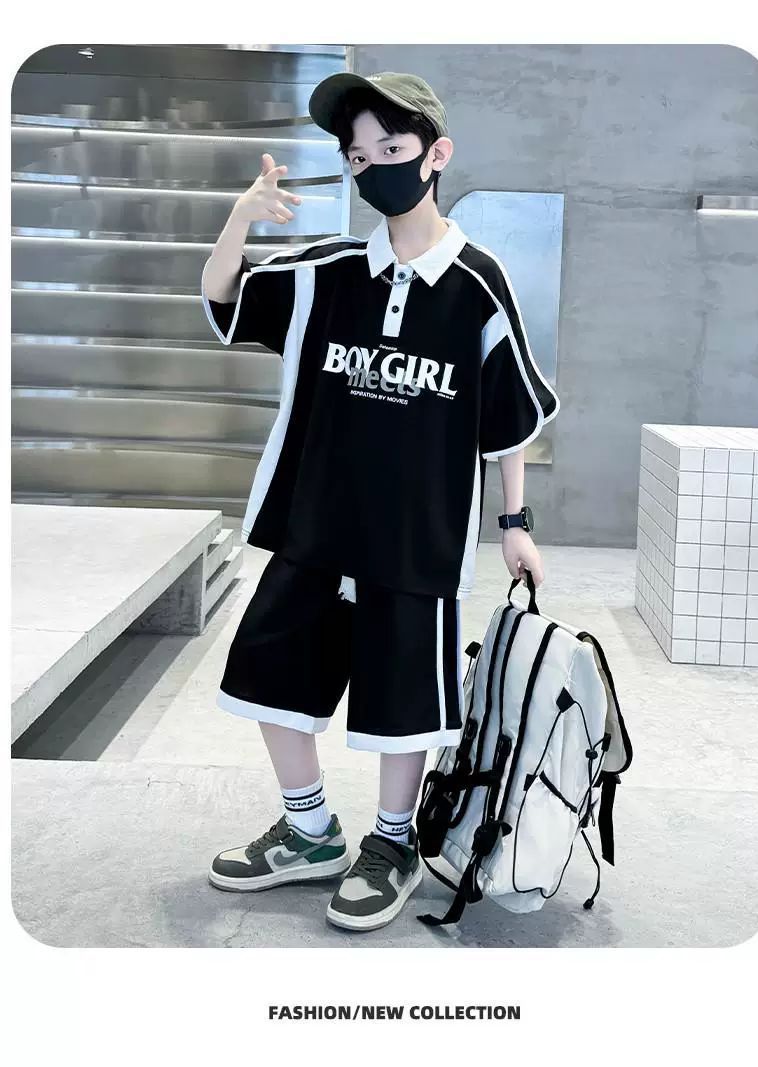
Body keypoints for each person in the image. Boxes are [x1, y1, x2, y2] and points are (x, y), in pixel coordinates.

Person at [201, 71, 560, 932]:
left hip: (416, 539)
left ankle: (391, 843)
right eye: (358, 157)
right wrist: (240, 218)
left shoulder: (477, 283)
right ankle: (310, 831)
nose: (374, 169)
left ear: (437, 154)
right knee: (266, 675)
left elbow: (507, 415)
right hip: (317, 526)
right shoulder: (330, 272)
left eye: (391, 150)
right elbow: (226, 299)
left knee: (404, 705)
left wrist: (514, 525)